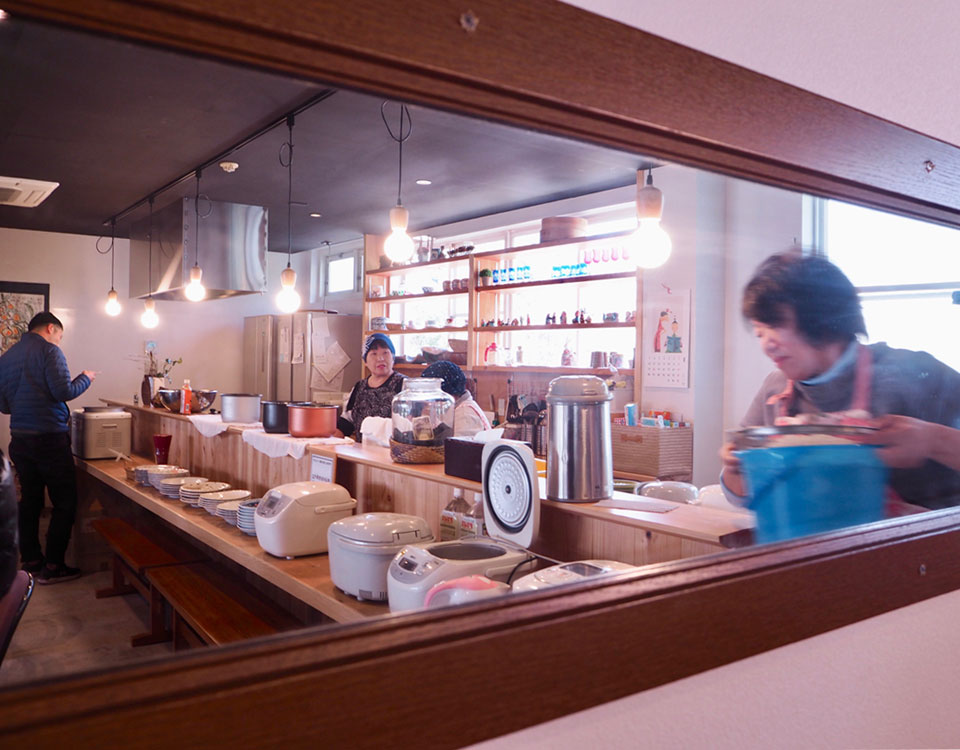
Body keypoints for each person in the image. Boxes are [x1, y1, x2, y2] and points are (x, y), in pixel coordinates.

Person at [720, 252, 960, 510]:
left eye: (775, 326)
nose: (767, 345)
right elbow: (742, 496)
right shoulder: (775, 388)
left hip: (929, 535)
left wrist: (933, 440)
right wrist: (736, 469)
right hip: (819, 534)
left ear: (821, 315)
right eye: (759, 333)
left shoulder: (915, 371)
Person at [0, 312, 96, 584]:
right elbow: (64, 391)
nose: (59, 341)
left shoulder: (6, 358)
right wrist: (86, 378)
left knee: (30, 501)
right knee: (65, 501)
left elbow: (4, 406)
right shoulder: (50, 352)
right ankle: (54, 566)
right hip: (50, 439)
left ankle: (31, 560)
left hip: (20, 439)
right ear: (51, 328)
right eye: (60, 336)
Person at [335, 333, 405, 439]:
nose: (380, 358)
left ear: (393, 357)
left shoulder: (404, 385)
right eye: (374, 354)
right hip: (362, 449)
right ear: (365, 361)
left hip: (392, 448)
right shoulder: (359, 387)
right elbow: (346, 424)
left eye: (385, 353)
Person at [421, 361, 491, 437]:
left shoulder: (465, 413)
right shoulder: (454, 407)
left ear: (447, 393)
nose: (429, 400)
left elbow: (457, 443)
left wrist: (437, 424)